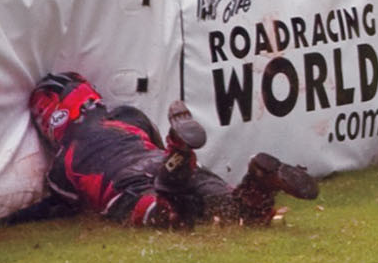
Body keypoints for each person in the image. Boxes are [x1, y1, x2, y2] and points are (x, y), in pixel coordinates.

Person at [25, 71, 318, 228]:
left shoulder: (62, 165)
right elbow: (151, 143)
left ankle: (175, 170)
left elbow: (70, 205)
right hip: (159, 160)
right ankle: (256, 183)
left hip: (127, 184)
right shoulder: (127, 116)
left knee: (168, 216)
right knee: (236, 210)